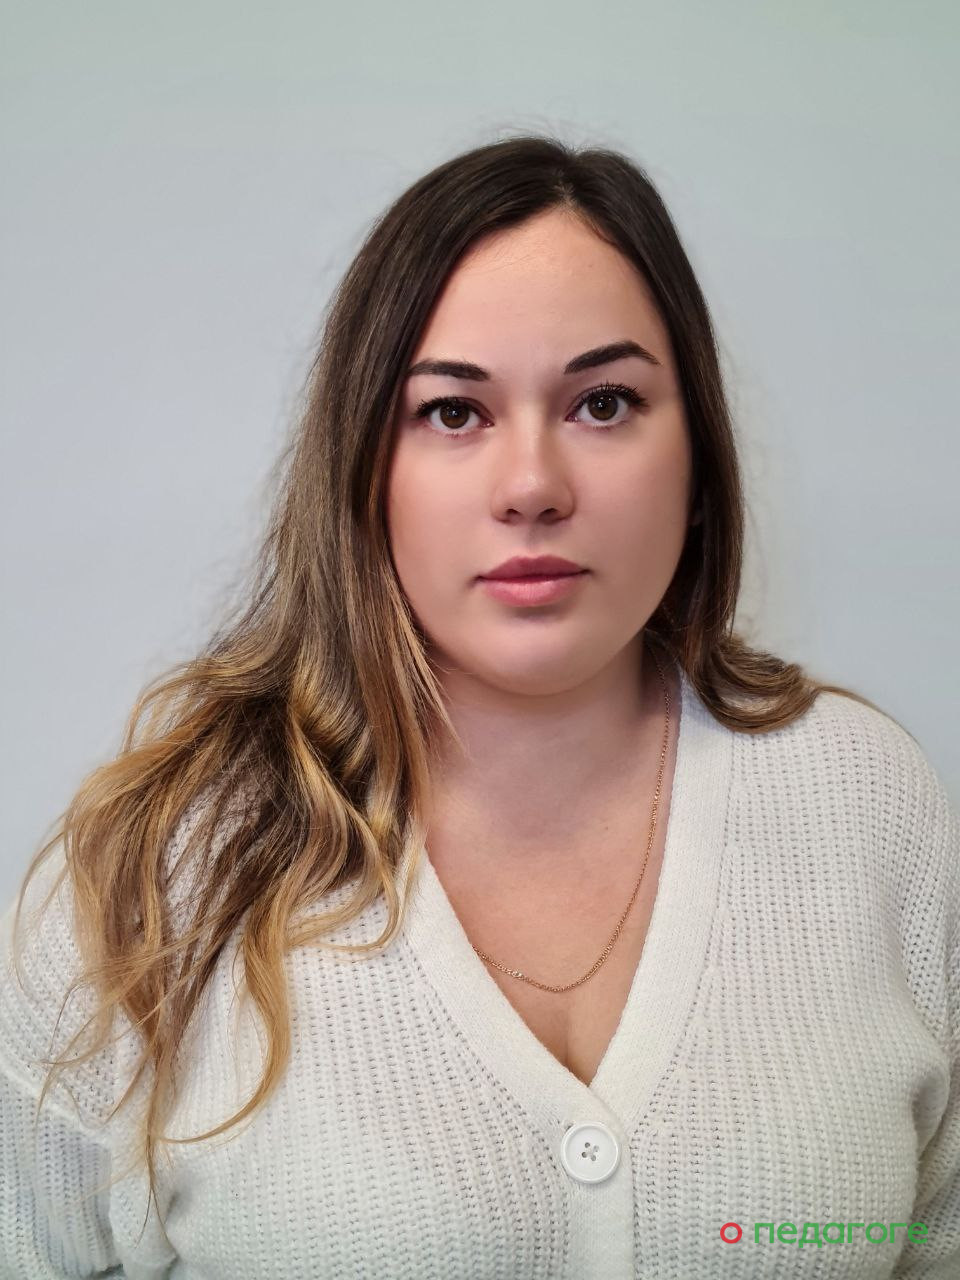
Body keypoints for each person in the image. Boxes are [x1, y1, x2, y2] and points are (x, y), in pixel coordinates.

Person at [1, 133, 956, 1280]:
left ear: (699, 461)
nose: (533, 486)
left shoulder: (870, 801)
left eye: (604, 402)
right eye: (454, 413)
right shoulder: (163, 869)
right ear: (364, 470)